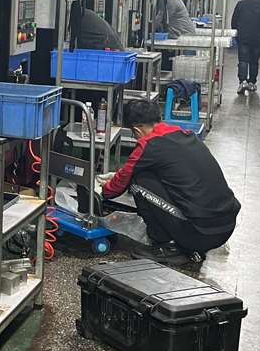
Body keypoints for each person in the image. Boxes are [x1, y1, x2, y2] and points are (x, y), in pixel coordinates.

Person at [101, 100, 241, 265]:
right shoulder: (183, 134)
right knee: (146, 174)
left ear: (137, 130)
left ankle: (167, 245)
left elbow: (113, 190)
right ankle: (184, 239)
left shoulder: (148, 145)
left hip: (201, 234)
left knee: (138, 181)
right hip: (225, 226)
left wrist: (103, 187)